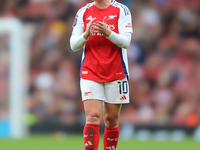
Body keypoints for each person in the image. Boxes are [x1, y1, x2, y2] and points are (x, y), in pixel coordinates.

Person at [70, 0, 132, 149]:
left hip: (116, 71)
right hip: (90, 71)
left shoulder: (122, 10)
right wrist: (85, 35)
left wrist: (108, 33)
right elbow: (73, 45)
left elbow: (126, 42)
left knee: (111, 119)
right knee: (92, 116)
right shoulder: (83, 12)